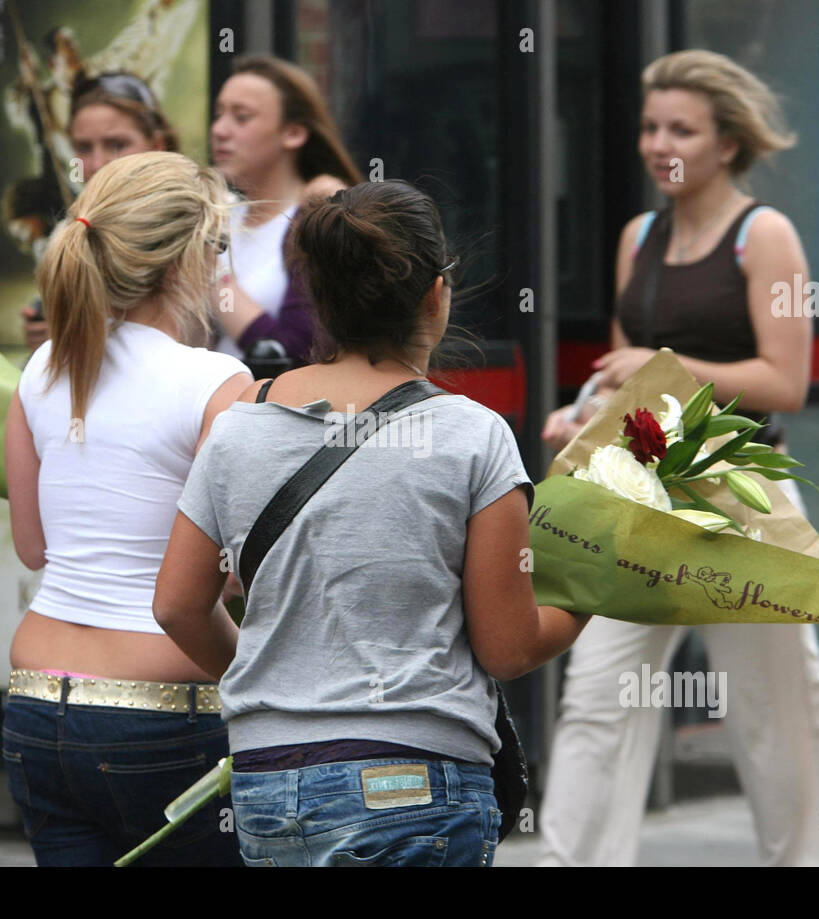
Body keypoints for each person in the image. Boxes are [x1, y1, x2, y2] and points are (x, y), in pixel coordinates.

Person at [152, 180, 590, 867]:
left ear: (318, 299)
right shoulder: (473, 437)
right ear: (436, 294)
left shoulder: (237, 429)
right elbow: (508, 647)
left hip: (268, 785)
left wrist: (280, 681)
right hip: (413, 782)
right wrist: (597, 594)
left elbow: (177, 605)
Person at [537, 49, 819, 867]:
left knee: (776, 715)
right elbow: (629, 382)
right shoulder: (637, 238)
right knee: (597, 700)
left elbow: (785, 381)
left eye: (681, 128)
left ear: (728, 143)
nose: (658, 142)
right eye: (650, 127)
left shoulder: (766, 236)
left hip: (742, 497)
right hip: (645, 496)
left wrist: (662, 362)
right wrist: (583, 417)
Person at [2, 151, 253, 866]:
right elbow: (226, 575)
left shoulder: (43, 369)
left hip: (36, 700)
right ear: (185, 260)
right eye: (218, 246)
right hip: (166, 712)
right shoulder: (217, 381)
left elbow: (33, 547)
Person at [208, 54, 362, 365]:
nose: (219, 130)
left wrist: (211, 274)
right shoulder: (217, 217)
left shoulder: (316, 220)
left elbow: (294, 349)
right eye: (219, 114)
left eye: (241, 117)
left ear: (293, 133)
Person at [21, 71, 181, 352]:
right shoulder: (71, 228)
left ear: (157, 145)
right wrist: (50, 335)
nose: (98, 164)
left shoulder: (198, 219)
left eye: (117, 145)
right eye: (84, 147)